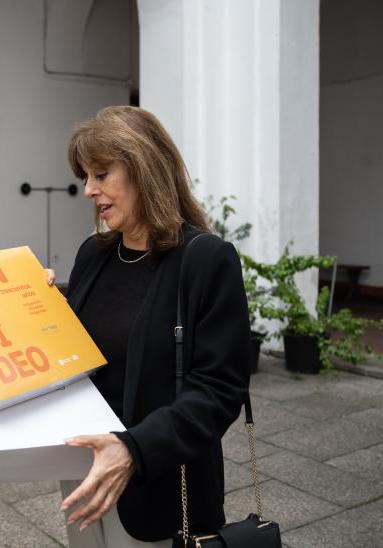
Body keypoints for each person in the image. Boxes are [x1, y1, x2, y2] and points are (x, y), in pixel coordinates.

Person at [59, 106, 250, 547]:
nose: (89, 190)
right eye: (86, 177)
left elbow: (220, 390)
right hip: (85, 476)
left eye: (102, 174)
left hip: (164, 490)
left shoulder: (206, 260)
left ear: (144, 168)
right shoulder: (94, 254)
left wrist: (135, 449)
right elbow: (78, 357)